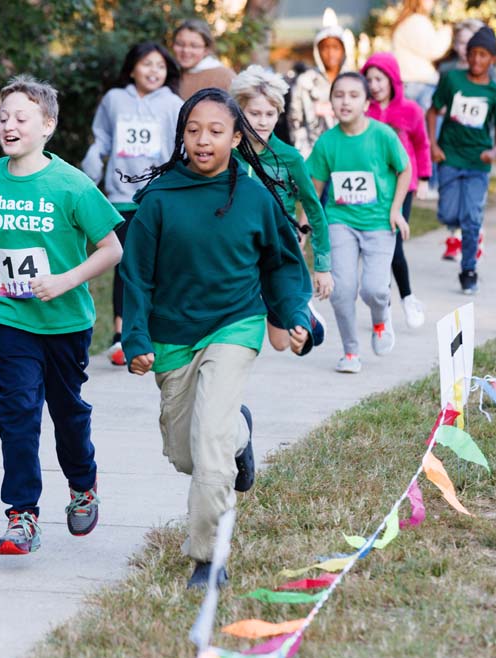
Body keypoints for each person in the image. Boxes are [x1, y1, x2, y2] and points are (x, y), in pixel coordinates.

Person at [119, 88, 314, 589]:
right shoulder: (159, 199)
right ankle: (242, 437)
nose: (203, 140)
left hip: (235, 323)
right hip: (171, 334)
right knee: (186, 453)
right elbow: (136, 277)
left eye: (216, 130)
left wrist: (293, 312)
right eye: (193, 130)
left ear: (236, 136)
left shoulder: (253, 197)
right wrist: (136, 337)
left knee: (209, 450)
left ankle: (208, 558)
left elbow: (282, 263)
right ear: (181, 134)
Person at [0, 76, 123, 555]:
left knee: (67, 413)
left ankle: (82, 484)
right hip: (8, 316)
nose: (9, 125)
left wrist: (64, 280)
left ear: (48, 126)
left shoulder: (72, 186)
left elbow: (112, 249)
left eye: (21, 117)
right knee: (17, 410)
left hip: (64, 322)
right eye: (3, 117)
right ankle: (22, 516)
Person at [82, 42, 183, 366]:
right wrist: (92, 166)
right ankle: (121, 336)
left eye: (160, 65)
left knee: (158, 265)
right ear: (132, 68)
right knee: (125, 266)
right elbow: (102, 139)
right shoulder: (114, 100)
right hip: (120, 198)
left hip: (158, 198)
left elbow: (181, 148)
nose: (153, 71)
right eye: (146, 64)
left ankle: (159, 330)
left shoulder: (173, 104)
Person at [307, 72, 411, 373]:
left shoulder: (382, 135)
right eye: (338, 95)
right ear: (331, 102)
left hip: (379, 223)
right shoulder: (327, 142)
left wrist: (396, 210)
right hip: (340, 221)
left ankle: (380, 319)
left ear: (367, 102)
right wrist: (303, 226)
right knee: (341, 291)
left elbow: (404, 170)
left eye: (353, 95)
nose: (345, 101)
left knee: (374, 290)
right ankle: (350, 351)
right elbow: (313, 190)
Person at [228, 65, 331, 348]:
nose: (262, 122)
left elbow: (314, 209)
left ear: (279, 114)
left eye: (270, 114)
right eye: (254, 113)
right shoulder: (226, 154)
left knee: (280, 342)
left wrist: (322, 265)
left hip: (277, 249)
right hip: (237, 249)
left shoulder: (289, 158)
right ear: (239, 112)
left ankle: (303, 314)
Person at [427, 26, 496, 296]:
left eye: (483, 55)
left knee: (472, 218)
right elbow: (432, 111)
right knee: (449, 214)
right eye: (473, 53)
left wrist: (495, 152)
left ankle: (469, 269)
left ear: (493, 59)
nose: (476, 60)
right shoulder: (451, 79)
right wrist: (433, 144)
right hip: (449, 156)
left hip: (478, 161)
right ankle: (463, 230)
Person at [362, 52, 430, 329]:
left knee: (393, 245)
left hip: (403, 186)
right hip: (373, 189)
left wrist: (424, 178)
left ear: (392, 79)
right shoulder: (364, 111)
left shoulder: (410, 110)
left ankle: (407, 298)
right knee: (378, 247)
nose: (375, 85)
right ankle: (384, 305)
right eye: (369, 79)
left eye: (379, 79)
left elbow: (422, 144)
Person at [436, 18, 485, 260]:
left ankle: (468, 241)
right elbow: (437, 104)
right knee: (450, 206)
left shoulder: (487, 72)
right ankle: (457, 234)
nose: (466, 49)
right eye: (461, 42)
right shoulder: (447, 72)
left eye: (471, 43)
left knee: (472, 203)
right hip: (451, 145)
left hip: (476, 147)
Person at [285, 25, 353, 158]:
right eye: (325, 47)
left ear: (343, 50)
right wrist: (303, 152)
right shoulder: (305, 81)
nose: (330, 53)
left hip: (348, 153)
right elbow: (295, 119)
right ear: (317, 51)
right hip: (313, 153)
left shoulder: (352, 80)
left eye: (335, 47)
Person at [391, 0, 452, 117]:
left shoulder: (406, 21)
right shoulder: (417, 21)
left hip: (407, 84)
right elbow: (434, 49)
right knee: (427, 131)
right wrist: (447, 31)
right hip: (420, 85)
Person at [171, 19, 236, 100]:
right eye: (180, 44)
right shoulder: (169, 74)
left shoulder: (224, 77)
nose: (185, 50)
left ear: (206, 49)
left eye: (194, 46)